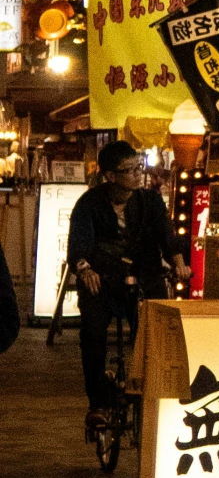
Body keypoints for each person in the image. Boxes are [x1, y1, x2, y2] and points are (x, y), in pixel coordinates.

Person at [68, 140, 183, 415]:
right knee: (93, 335)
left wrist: (179, 262)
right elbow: (79, 244)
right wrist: (85, 269)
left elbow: (166, 235)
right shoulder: (89, 204)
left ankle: (155, 393)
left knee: (156, 331)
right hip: (103, 280)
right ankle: (97, 402)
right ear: (110, 176)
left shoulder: (150, 201)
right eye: (128, 170)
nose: (136, 175)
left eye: (137, 167)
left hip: (143, 277)